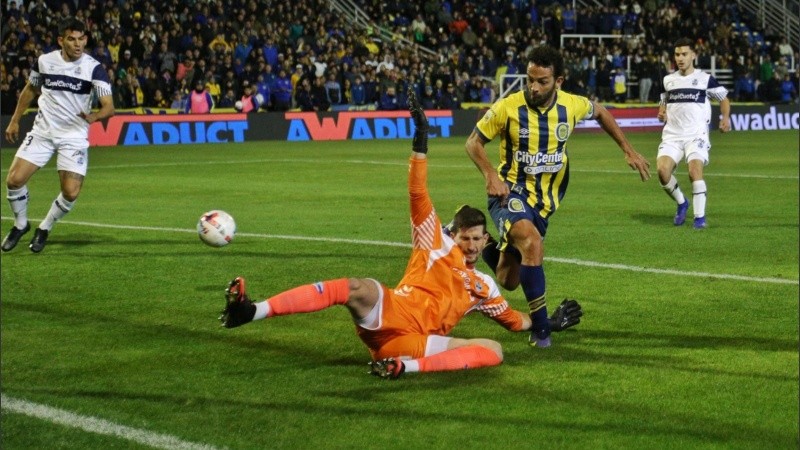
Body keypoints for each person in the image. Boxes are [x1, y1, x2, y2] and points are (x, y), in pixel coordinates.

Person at [219, 91, 582, 379]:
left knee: (494, 350)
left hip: (416, 343)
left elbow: (515, 321)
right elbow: (417, 193)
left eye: (477, 240)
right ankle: (252, 311)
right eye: (465, 239)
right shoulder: (432, 241)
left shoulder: (484, 287)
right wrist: (420, 140)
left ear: (487, 240)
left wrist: (548, 322)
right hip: (390, 312)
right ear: (453, 234)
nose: (471, 247)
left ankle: (403, 368)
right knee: (358, 287)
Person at [465, 45, 650, 348]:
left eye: (542, 81)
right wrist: (490, 175)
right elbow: (473, 143)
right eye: (530, 80)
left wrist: (628, 150)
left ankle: (484, 241)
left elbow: (600, 112)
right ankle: (541, 332)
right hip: (509, 192)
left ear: (559, 81)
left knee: (508, 280)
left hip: (544, 203)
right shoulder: (507, 108)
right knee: (532, 243)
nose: (534, 88)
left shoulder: (571, 105)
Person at [2, 17, 115, 253]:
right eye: (72, 39)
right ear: (60, 40)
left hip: (73, 136)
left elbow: (109, 106)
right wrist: (14, 120)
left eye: (81, 39)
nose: (78, 44)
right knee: (13, 180)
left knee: (70, 192)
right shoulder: (45, 61)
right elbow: (31, 89)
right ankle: (20, 225)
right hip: (43, 132)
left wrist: (95, 116)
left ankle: (44, 227)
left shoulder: (93, 68)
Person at [656, 38, 731, 229]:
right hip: (672, 134)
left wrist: (725, 118)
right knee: (662, 172)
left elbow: (723, 98)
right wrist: (662, 111)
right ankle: (682, 203)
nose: (680, 58)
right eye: (677, 54)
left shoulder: (705, 79)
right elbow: (664, 101)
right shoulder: (668, 80)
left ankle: (699, 219)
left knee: (694, 171)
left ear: (693, 55)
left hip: (696, 134)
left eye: (684, 54)